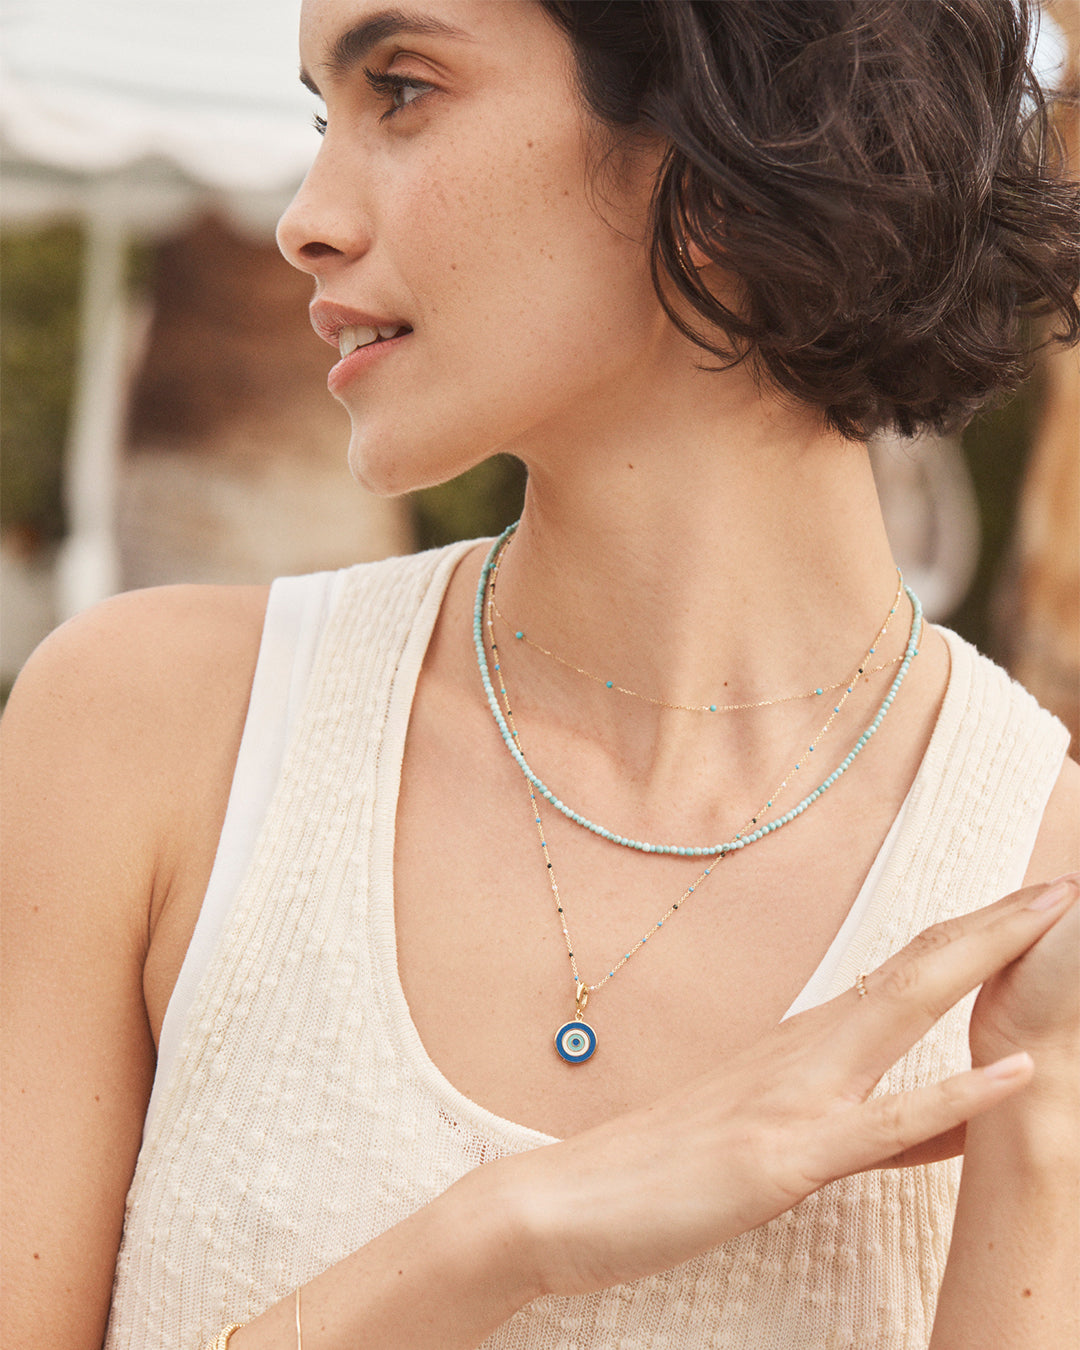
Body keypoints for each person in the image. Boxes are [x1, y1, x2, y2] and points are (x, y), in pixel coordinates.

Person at [3, 2, 1078, 1347]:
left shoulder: (1040, 892)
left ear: (725, 137)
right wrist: (501, 1238)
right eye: (322, 115)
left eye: (403, 90)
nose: (304, 219)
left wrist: (1044, 1125)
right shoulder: (150, 734)